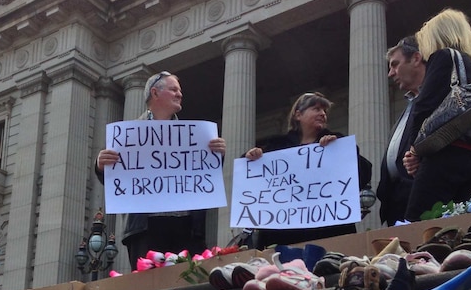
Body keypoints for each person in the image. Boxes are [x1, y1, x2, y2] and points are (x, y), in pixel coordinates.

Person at [94, 71, 227, 271]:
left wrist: (216, 155)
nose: (179, 94)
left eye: (179, 90)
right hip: (146, 230)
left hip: (186, 228)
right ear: (155, 93)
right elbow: (118, 180)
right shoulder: (128, 136)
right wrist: (100, 164)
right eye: (174, 89)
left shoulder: (193, 137)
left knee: (188, 287)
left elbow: (204, 176)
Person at [243, 92, 373, 249]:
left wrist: (340, 152)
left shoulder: (336, 141)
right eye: (316, 109)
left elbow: (363, 174)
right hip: (283, 237)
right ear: (298, 114)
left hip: (329, 233)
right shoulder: (277, 147)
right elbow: (250, 177)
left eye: (324, 110)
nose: (322, 114)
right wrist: (251, 156)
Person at [402, 8, 471, 221]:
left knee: (418, 224)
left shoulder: (442, 57)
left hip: (444, 157)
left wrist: (415, 151)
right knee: (464, 224)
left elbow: (424, 105)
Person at [376, 35, 427, 226]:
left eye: (395, 65)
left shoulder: (435, 99)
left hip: (420, 197)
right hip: (397, 203)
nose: (390, 73)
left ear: (415, 58)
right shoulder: (409, 107)